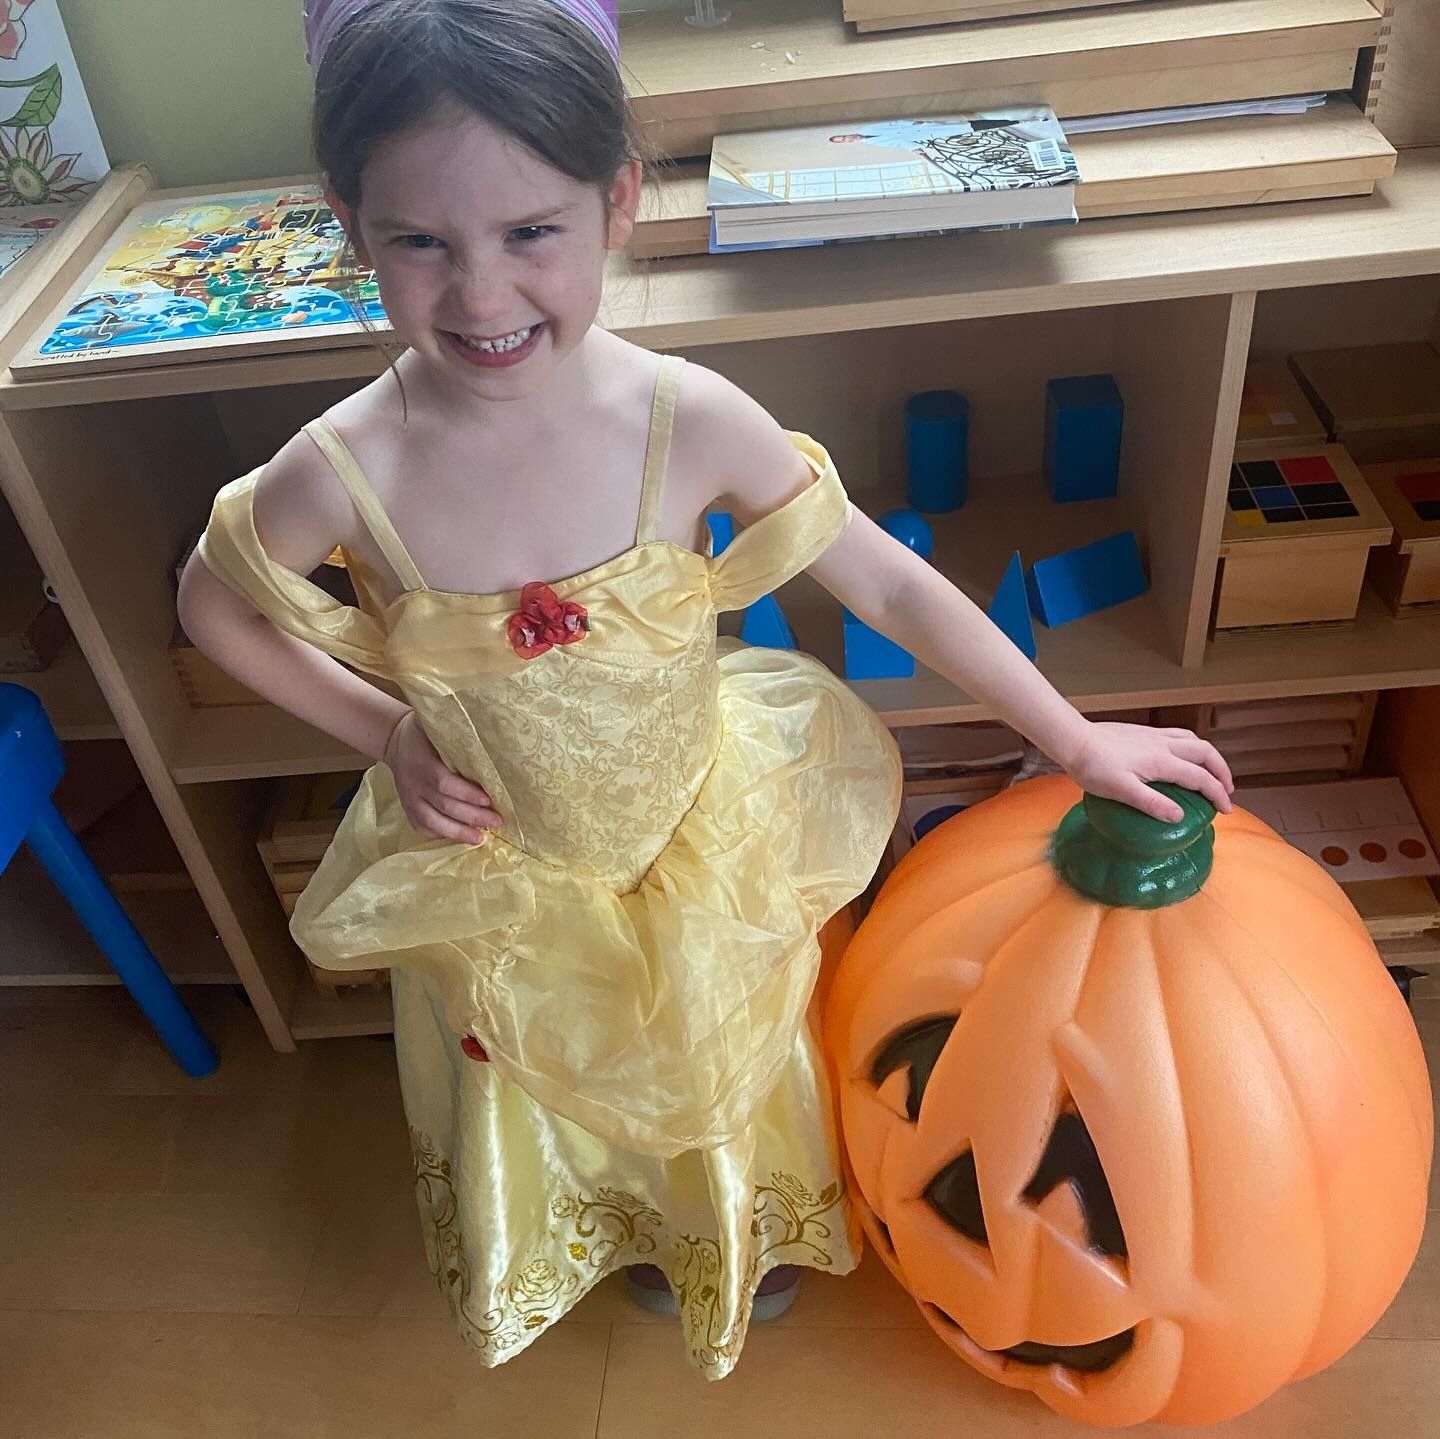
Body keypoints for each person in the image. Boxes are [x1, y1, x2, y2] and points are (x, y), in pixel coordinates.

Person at [178, 0, 1233, 1380]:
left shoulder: (691, 419)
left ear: (618, 200)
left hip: (692, 826)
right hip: (502, 860)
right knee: (546, 1067)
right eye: (420, 244)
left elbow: (894, 587)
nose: (482, 297)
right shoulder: (347, 463)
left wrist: (1071, 734)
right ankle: (602, 1227)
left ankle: (722, 1235)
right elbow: (210, 607)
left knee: (717, 1038)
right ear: (352, 226)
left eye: (530, 234)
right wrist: (382, 728)